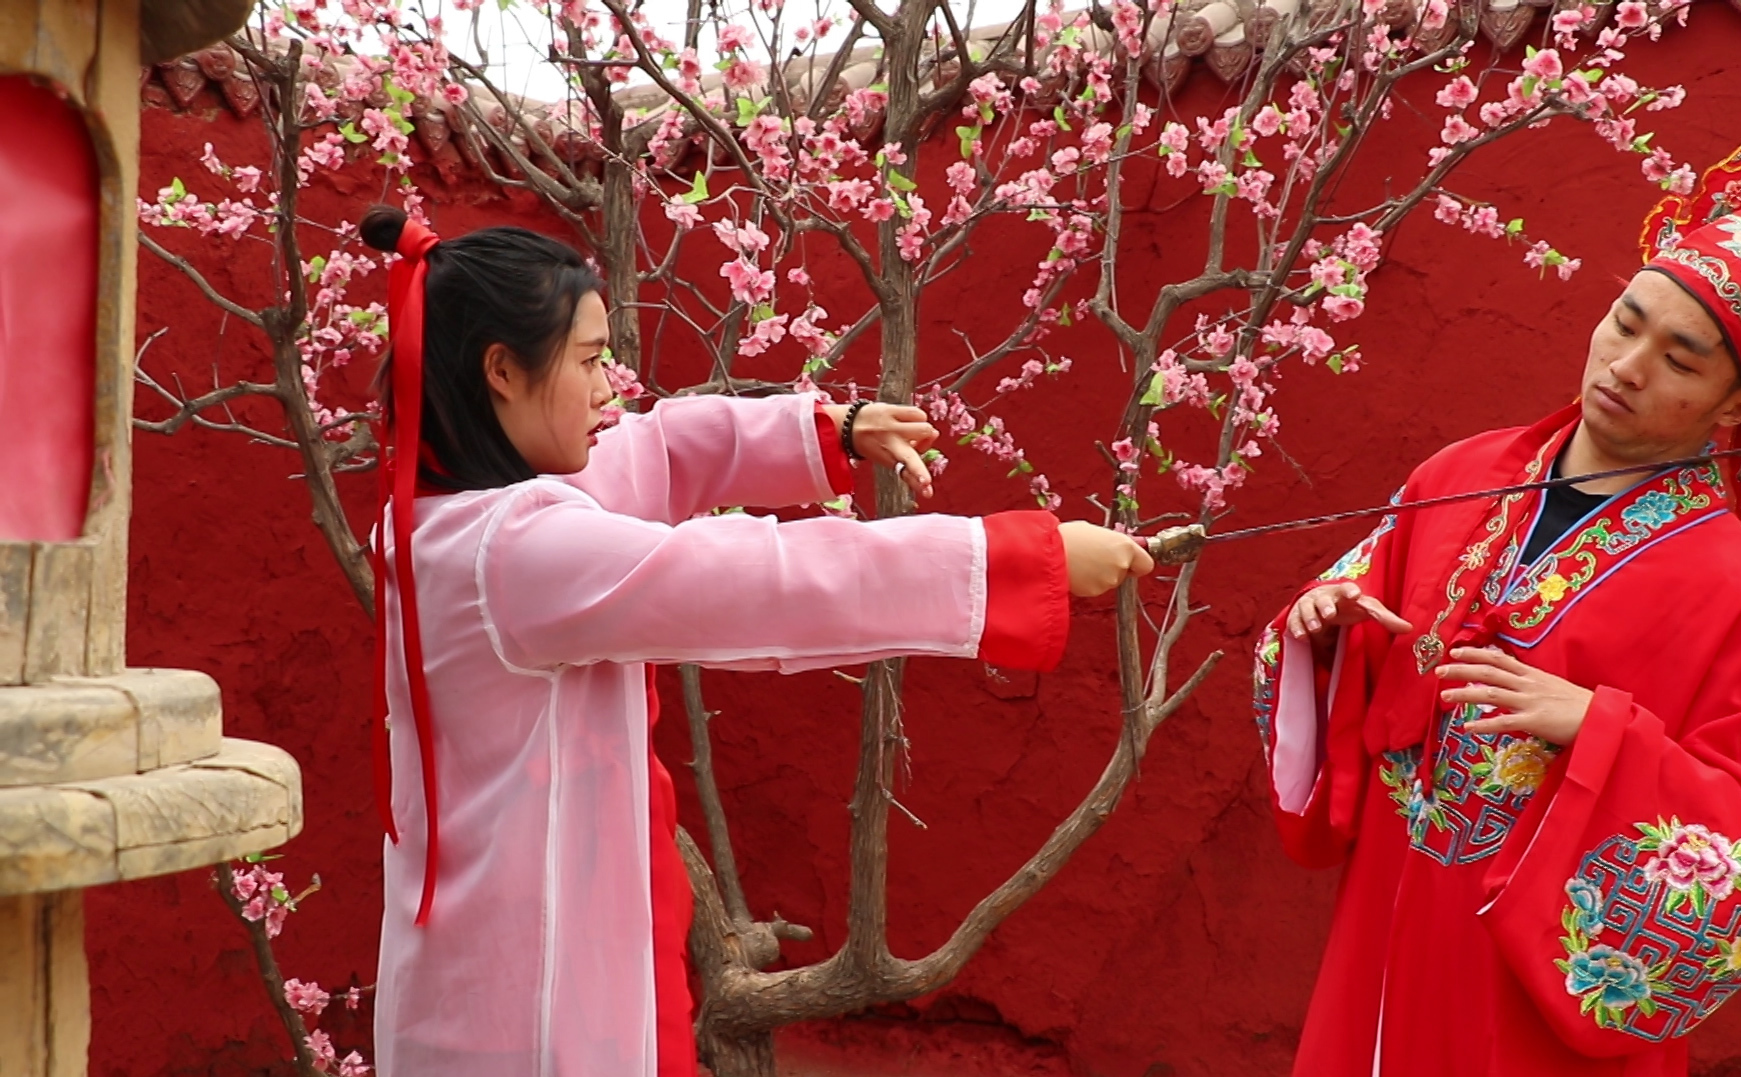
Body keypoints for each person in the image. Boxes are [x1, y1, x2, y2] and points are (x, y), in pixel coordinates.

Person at [355, 203, 1154, 1076]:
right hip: (531, 998)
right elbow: (760, 582)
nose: (608, 388)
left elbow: (650, 448)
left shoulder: (440, 520)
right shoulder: (515, 551)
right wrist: (1012, 559)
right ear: (502, 370)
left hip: (486, 961)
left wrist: (829, 432)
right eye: (588, 362)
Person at [1251, 136, 1741, 1076]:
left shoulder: (1733, 594)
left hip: (1531, 981)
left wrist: (1602, 733)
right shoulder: (1459, 474)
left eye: (1680, 360)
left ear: (1733, 409)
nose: (1627, 365)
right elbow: (1360, 636)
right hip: (1389, 911)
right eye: (1625, 320)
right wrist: (1322, 630)